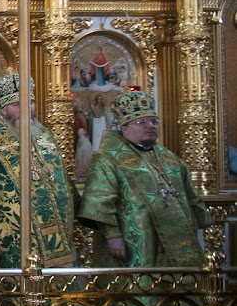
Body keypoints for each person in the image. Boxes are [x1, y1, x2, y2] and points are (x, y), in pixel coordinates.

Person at [0, 74, 77, 269]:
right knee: (17, 269)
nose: (27, 110)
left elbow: (62, 175)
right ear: (3, 109)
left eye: (30, 103)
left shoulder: (44, 135)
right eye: (18, 105)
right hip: (12, 226)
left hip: (54, 219)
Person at [79, 91, 209, 267]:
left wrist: (201, 221)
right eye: (141, 122)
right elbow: (99, 201)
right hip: (135, 238)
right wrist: (113, 236)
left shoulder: (169, 159)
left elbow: (190, 195)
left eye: (154, 121)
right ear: (123, 127)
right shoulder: (106, 159)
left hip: (177, 237)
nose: (150, 126)